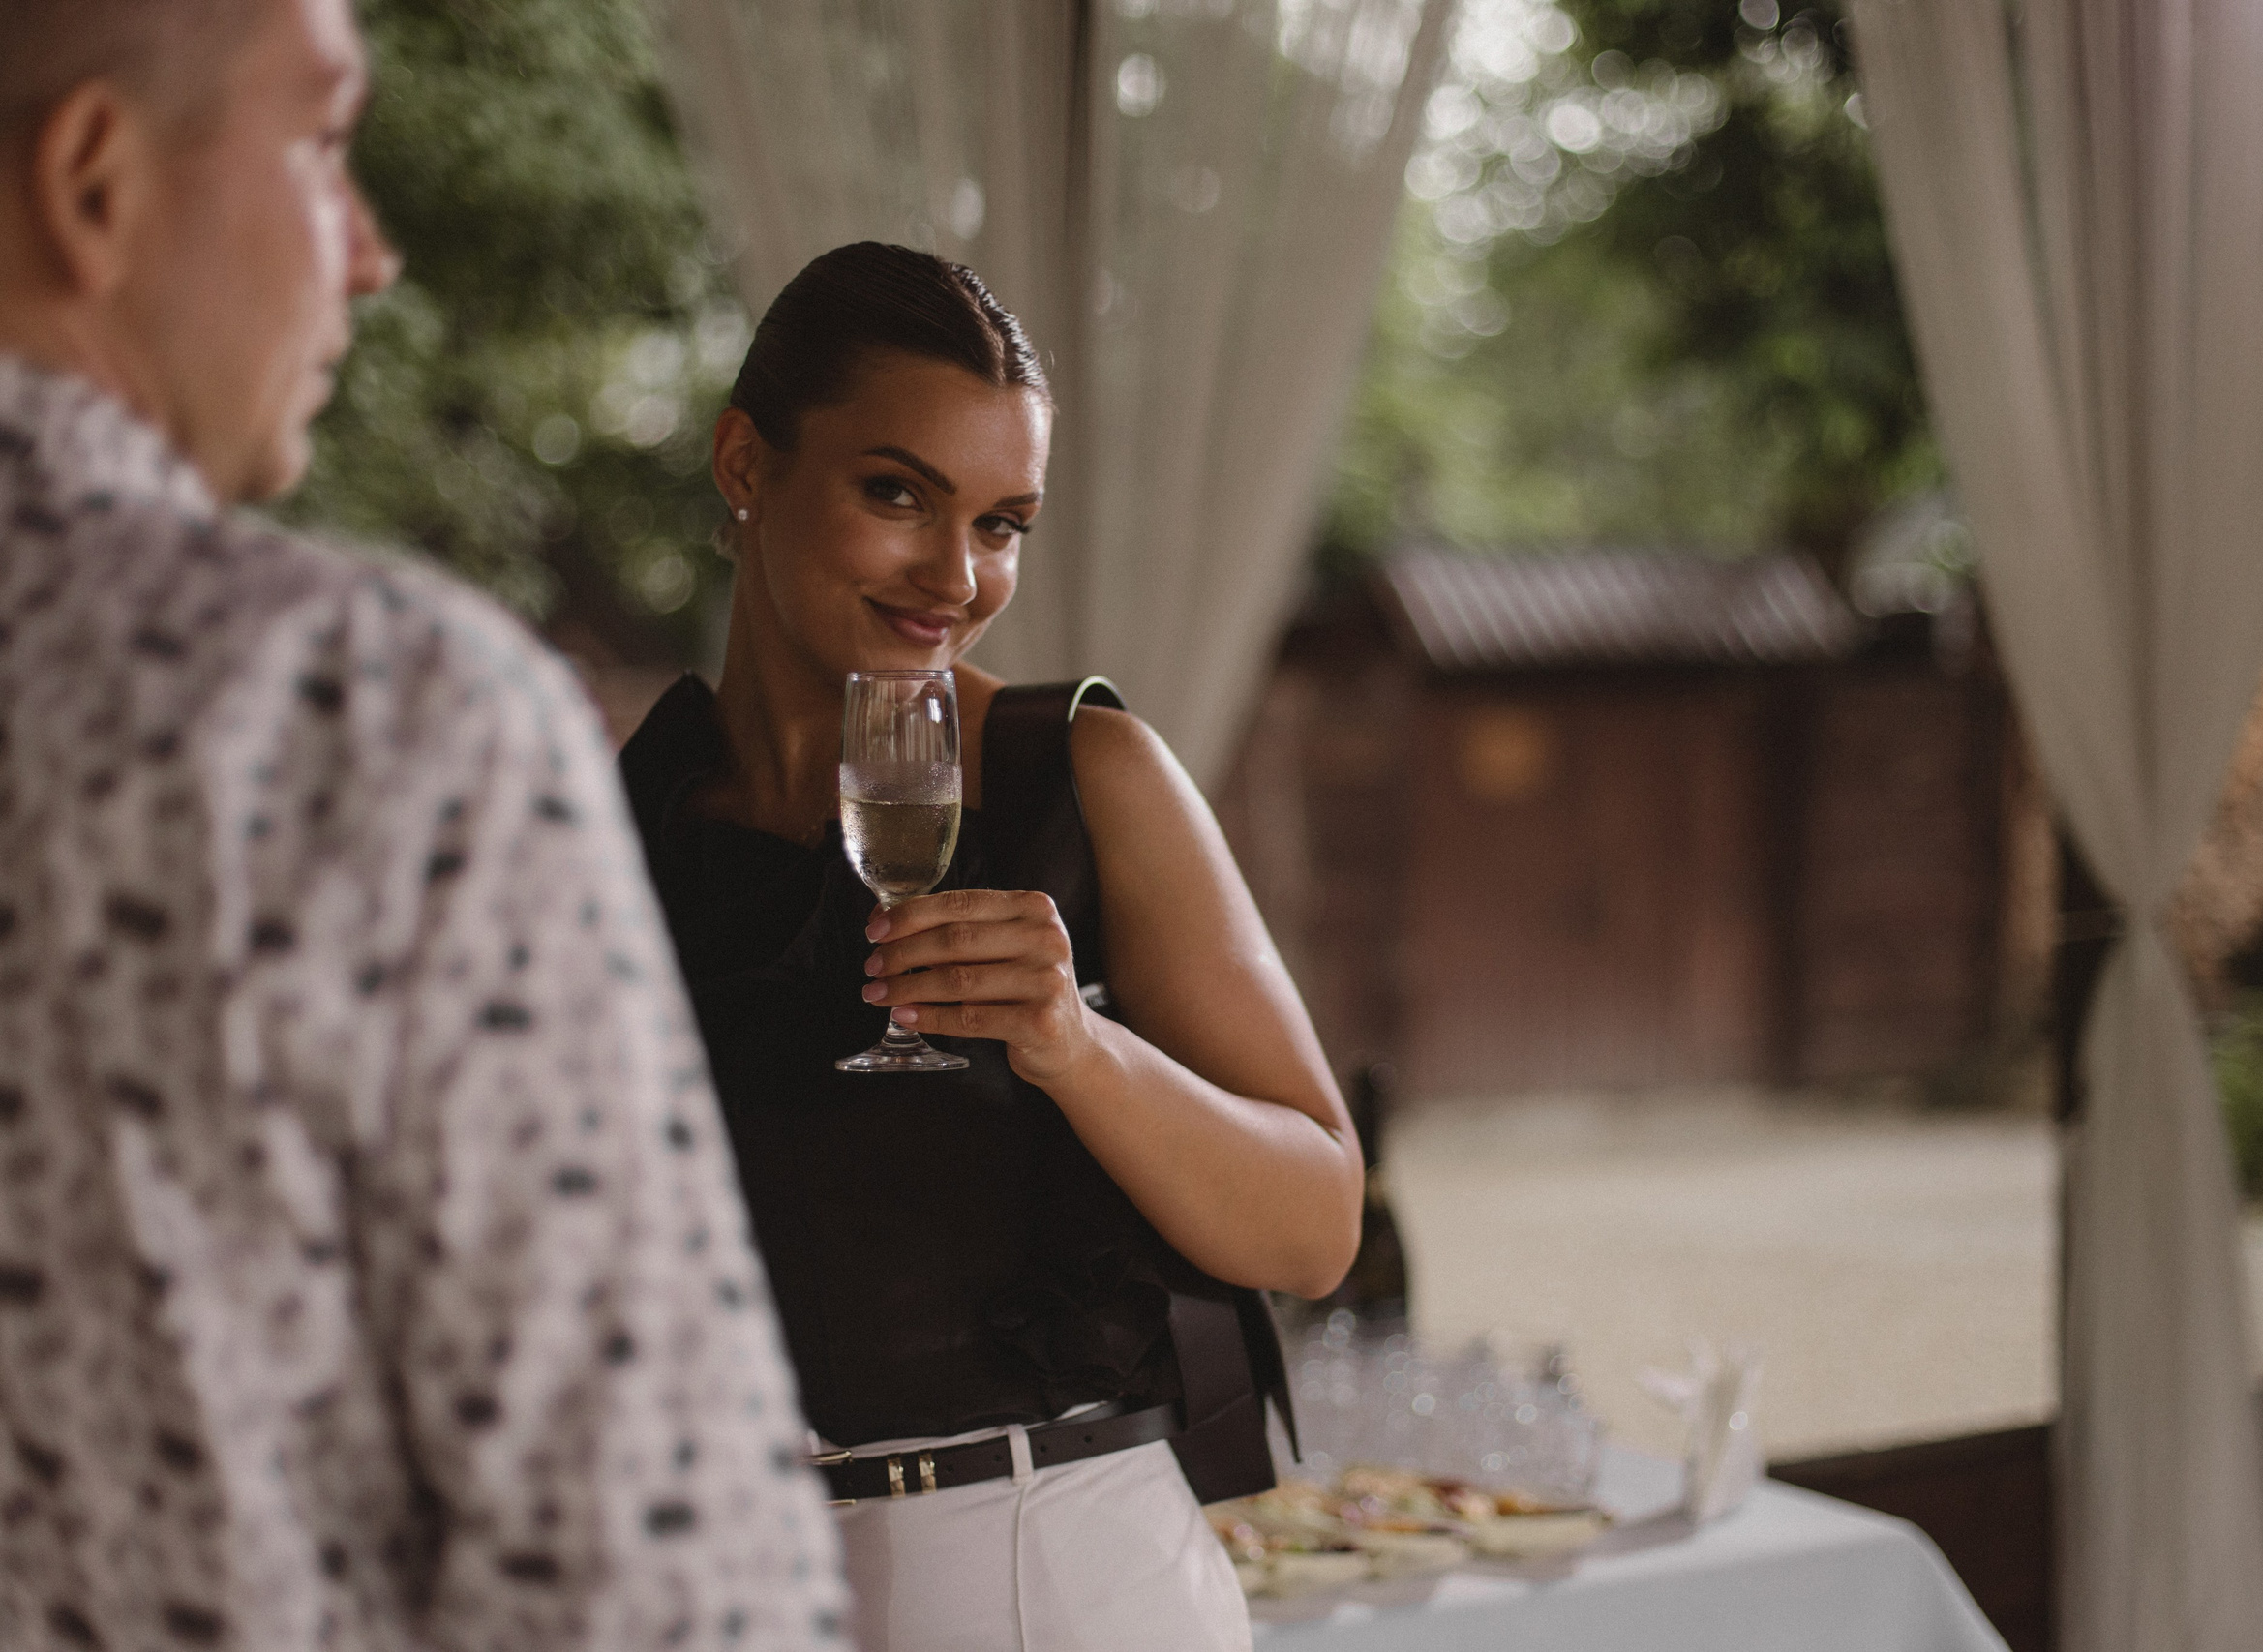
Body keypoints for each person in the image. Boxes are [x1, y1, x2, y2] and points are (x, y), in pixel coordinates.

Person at [0, 2, 846, 1646]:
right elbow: (665, 1593)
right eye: (322, 144)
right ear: (93, 179)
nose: (370, 254)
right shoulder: (358, 712)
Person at [618, 242, 1364, 1651]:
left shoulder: (1079, 776)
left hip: (1048, 1576)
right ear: (745, 462)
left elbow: (1318, 1224)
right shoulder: (628, 826)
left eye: (1003, 522)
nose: (954, 575)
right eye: (897, 495)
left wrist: (1078, 1050)